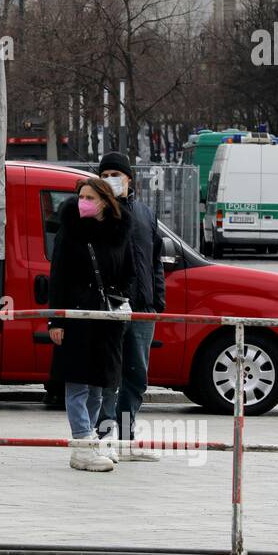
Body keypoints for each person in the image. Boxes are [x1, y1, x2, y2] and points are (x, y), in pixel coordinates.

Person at [47, 176, 132, 472]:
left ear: (106, 202)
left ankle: (92, 439)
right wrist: (56, 320)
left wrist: (123, 300)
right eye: (80, 196)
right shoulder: (69, 232)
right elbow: (57, 278)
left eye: (90, 197)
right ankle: (81, 442)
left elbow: (128, 274)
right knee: (77, 384)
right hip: (76, 317)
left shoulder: (119, 233)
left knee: (99, 384)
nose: (83, 202)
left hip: (106, 320)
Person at [93, 153, 165, 463]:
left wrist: (157, 300)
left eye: (116, 173)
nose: (111, 178)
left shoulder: (146, 214)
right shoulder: (97, 213)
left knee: (137, 377)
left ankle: (126, 438)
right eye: (105, 174)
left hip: (142, 309)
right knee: (109, 376)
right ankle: (104, 437)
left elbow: (156, 260)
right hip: (110, 308)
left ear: (129, 179)